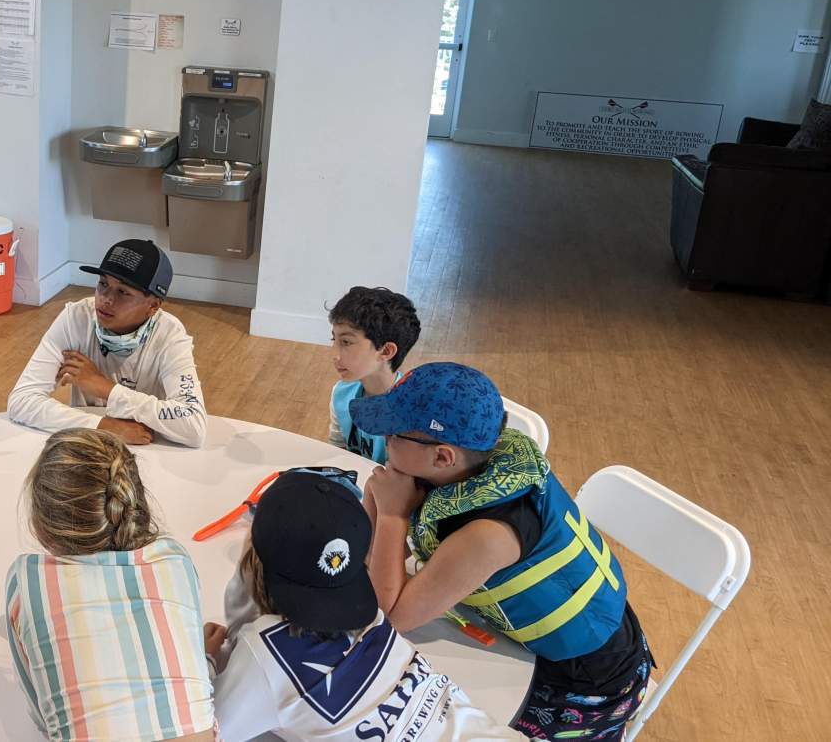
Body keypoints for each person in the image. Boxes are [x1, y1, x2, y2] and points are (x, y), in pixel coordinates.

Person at [353, 363, 653, 740]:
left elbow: (390, 615)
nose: (383, 439)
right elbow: (360, 556)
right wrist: (377, 498)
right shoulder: (468, 464)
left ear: (443, 457)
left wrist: (394, 514)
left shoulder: (489, 533)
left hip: (586, 683)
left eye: (393, 434)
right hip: (553, 637)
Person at [206, 468, 524, 742]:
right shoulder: (369, 611)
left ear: (252, 554)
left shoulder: (263, 650)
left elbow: (196, 731)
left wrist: (205, 661)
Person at [4, 428, 216, 741]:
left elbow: (41, 715)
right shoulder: (175, 559)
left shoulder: (27, 579)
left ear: (42, 524)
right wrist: (206, 661)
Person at [8, 239, 207, 448]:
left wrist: (107, 390)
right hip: (88, 445)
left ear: (153, 305)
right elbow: (21, 401)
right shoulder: (75, 318)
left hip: (150, 448)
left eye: (123, 292)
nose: (106, 299)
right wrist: (103, 426)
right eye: (103, 284)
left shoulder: (170, 336)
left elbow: (193, 426)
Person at [326, 286, 420, 464]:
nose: (334, 353)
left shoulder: (411, 411)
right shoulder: (341, 393)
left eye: (346, 342)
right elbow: (336, 448)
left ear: (386, 351)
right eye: (334, 339)